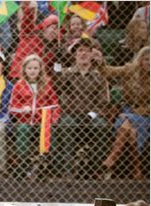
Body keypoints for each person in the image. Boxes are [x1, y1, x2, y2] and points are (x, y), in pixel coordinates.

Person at [50, 34, 110, 179]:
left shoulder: (98, 75)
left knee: (101, 126)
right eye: (80, 51)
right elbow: (57, 86)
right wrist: (57, 64)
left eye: (86, 51)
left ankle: (96, 169)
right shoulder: (67, 73)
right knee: (67, 125)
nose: (83, 54)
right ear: (75, 54)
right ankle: (68, 170)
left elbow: (103, 101)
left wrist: (92, 115)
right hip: (70, 114)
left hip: (91, 115)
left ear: (91, 54)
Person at [96, 46, 150, 180]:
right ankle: (136, 168)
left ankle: (111, 158)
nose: (149, 63)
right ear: (140, 61)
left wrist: (135, 113)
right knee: (131, 131)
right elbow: (109, 72)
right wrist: (100, 62)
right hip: (128, 110)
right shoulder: (130, 70)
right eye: (146, 60)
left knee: (126, 122)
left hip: (146, 113)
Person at [9, 54, 59, 179]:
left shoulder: (46, 85)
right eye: (30, 68)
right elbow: (12, 107)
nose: (32, 71)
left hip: (41, 122)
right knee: (23, 129)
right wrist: (22, 110)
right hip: (24, 122)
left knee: (49, 131)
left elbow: (55, 105)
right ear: (24, 69)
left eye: (36, 68)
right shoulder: (19, 85)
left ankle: (47, 165)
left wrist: (52, 119)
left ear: (40, 69)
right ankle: (22, 164)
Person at [9, 2, 60, 80]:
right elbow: (27, 21)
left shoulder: (54, 48)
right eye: (53, 27)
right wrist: (30, 10)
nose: (55, 32)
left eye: (57, 30)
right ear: (45, 27)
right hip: (18, 76)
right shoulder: (29, 33)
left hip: (37, 81)